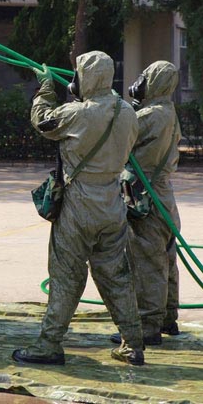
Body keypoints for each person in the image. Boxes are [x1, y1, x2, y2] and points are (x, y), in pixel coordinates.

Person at [13, 51, 145, 366]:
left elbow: (43, 122)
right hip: (113, 204)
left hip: (79, 205)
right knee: (117, 276)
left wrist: (44, 87)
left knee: (66, 275)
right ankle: (133, 344)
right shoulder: (127, 113)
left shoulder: (78, 113)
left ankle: (49, 344)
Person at [110, 61, 182, 344]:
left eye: (145, 78)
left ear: (155, 83)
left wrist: (107, 104)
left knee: (147, 262)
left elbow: (119, 132)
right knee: (166, 259)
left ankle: (147, 326)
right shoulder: (168, 112)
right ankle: (167, 318)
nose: (139, 83)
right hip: (163, 195)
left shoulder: (151, 115)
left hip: (146, 196)